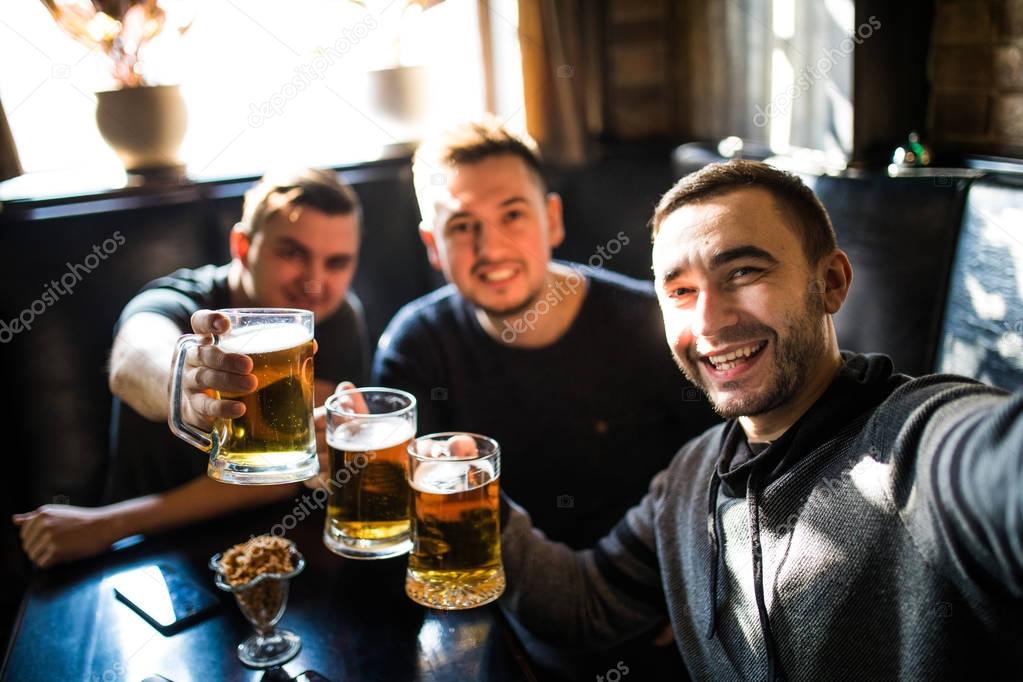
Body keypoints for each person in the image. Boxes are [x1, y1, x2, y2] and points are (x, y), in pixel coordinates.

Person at [497, 160, 1023, 680]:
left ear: (832, 283)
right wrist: (471, 503)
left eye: (744, 272)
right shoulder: (689, 478)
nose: (708, 321)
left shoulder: (916, 442)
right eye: (680, 291)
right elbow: (586, 606)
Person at [373, 118, 719, 551]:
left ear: (552, 219)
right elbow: (408, 515)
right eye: (462, 226)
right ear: (432, 245)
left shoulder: (658, 325)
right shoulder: (415, 345)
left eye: (512, 215)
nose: (491, 248)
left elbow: (725, 483)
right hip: (491, 587)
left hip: (653, 586)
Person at [13, 168, 369, 568]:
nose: (315, 282)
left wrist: (109, 523)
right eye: (292, 253)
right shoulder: (180, 300)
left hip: (270, 541)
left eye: (336, 263)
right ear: (242, 244)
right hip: (145, 553)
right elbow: (131, 361)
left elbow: (274, 478)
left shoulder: (336, 319)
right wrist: (184, 383)